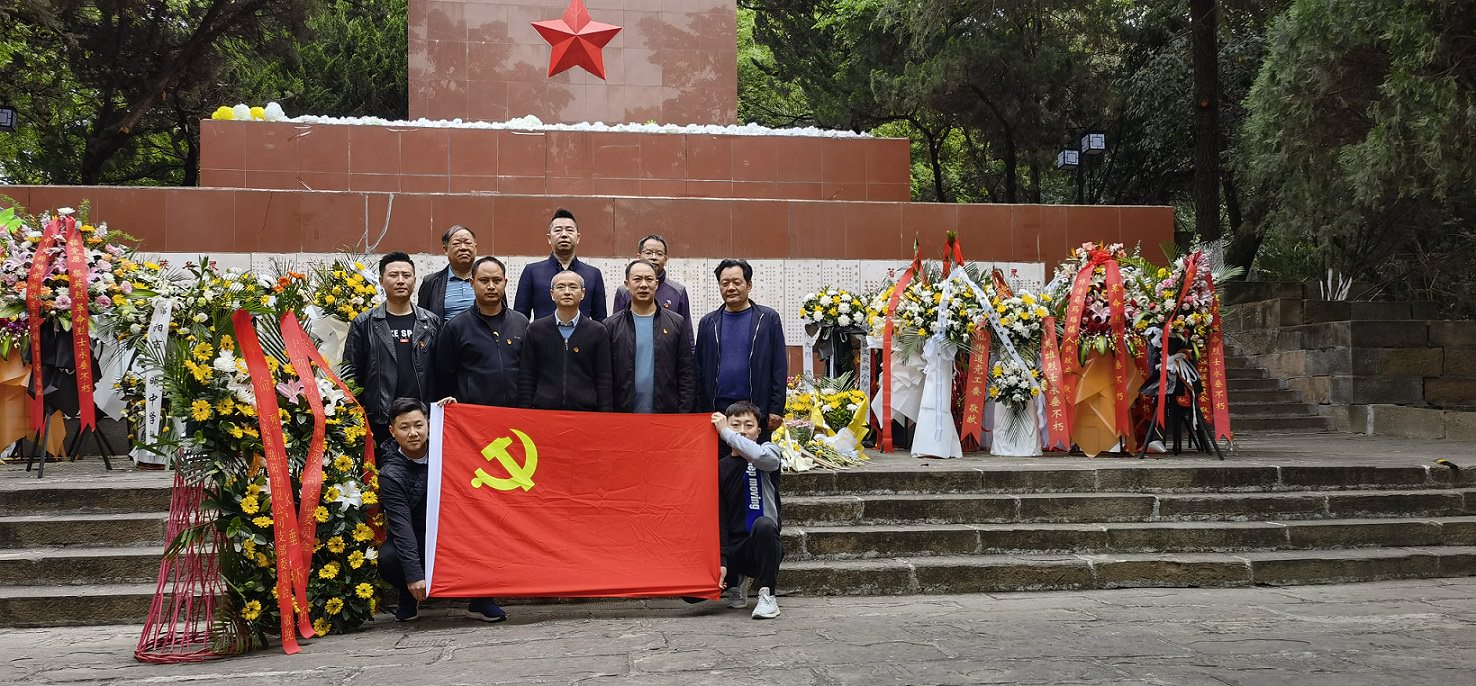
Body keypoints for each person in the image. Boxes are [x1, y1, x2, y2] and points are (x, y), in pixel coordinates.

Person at [377, 397, 507, 623]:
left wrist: (453, 413)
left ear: (429, 424)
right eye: (404, 427)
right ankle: (409, 594)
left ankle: (481, 600)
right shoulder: (390, 474)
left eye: (419, 425)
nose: (413, 433)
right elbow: (401, 528)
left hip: (457, 530)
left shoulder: (447, 446)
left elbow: (476, 436)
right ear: (392, 431)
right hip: (418, 535)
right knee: (388, 559)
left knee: (496, 533)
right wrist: (413, 576)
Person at [342, 252, 440, 448]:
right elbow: (351, 374)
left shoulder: (431, 322)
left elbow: (440, 372)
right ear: (381, 281)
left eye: (406, 275)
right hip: (380, 419)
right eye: (393, 275)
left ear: (414, 280)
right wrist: (357, 417)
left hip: (422, 419)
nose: (400, 280)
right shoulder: (364, 323)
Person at [694, 258, 787, 437]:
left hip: (756, 411)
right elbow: (698, 368)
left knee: (755, 455)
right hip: (717, 413)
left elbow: (779, 366)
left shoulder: (767, 319)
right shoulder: (708, 322)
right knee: (720, 456)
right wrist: (698, 409)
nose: (730, 288)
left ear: (749, 285)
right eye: (725, 283)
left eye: (737, 282)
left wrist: (776, 407)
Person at [711, 401, 783, 619]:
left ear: (758, 431)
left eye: (748, 425)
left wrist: (726, 432)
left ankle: (768, 596)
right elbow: (720, 517)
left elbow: (761, 457)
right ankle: (736, 581)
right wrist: (722, 561)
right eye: (735, 425)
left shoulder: (769, 452)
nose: (742, 431)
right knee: (691, 594)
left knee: (764, 525)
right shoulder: (720, 467)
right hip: (733, 547)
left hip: (760, 545)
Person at [434, 256, 529, 407]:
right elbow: (444, 377)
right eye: (484, 281)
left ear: (505, 282)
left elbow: (529, 371)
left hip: (516, 412)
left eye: (497, 280)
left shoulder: (521, 322)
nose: (491, 286)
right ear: (472, 283)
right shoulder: (456, 326)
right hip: (474, 413)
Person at [606, 259, 695, 413]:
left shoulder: (676, 323)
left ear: (657, 284)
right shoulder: (611, 326)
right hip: (623, 414)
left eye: (649, 279)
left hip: (666, 414)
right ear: (626, 284)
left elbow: (686, 373)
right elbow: (605, 378)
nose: (643, 285)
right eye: (637, 279)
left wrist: (683, 413)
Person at [517, 270, 613, 411]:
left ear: (583, 293)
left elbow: (604, 379)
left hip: (586, 412)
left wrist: (605, 414)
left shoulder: (597, 331)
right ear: (552, 294)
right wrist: (525, 412)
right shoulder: (535, 330)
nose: (567, 292)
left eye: (573, 287)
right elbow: (527, 376)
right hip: (544, 411)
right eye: (561, 287)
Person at [513, 208, 607, 322]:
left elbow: (600, 320)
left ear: (578, 238)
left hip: (583, 334)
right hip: (542, 333)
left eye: (569, 230)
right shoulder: (532, 272)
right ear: (549, 238)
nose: (564, 235)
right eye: (558, 230)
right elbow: (520, 319)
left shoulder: (593, 274)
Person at [611, 234, 691, 345]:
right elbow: (616, 329)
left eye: (659, 254)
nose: (653, 257)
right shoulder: (624, 291)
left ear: (666, 259)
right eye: (648, 253)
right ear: (638, 256)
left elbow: (687, 334)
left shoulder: (678, 291)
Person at [417, 225, 478, 321]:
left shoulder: (489, 280)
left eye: (468, 243)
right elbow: (422, 320)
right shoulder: (431, 282)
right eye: (456, 244)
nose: (463, 248)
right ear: (445, 249)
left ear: (475, 247)